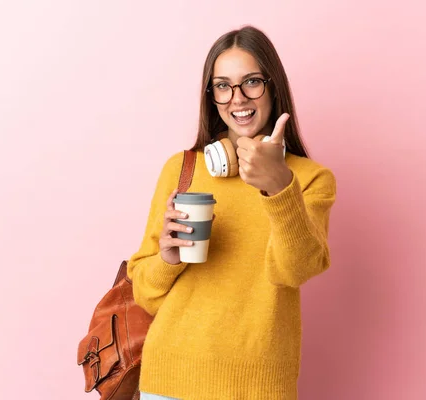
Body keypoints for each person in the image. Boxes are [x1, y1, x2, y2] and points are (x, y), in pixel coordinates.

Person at [127, 25, 336, 400]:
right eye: (223, 86)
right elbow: (145, 293)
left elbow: (297, 269)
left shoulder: (308, 179)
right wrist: (167, 259)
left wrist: (279, 188)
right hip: (169, 381)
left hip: (258, 387)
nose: (237, 98)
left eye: (251, 82)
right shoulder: (182, 168)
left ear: (273, 87)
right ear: (212, 97)